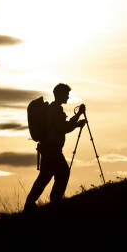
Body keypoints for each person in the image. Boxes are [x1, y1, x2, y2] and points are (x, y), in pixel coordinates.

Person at [24, 83, 86, 211]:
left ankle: (30, 204)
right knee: (63, 173)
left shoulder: (53, 108)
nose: (68, 97)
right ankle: (55, 200)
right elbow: (62, 128)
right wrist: (78, 115)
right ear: (60, 94)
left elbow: (62, 127)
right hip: (52, 149)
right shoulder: (55, 109)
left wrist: (76, 123)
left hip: (48, 148)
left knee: (45, 177)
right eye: (66, 94)